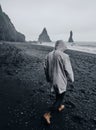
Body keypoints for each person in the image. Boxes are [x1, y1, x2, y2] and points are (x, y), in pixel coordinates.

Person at [43, 40, 74, 124]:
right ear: (62, 46)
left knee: (58, 93)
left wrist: (48, 78)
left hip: (52, 79)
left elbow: (45, 68)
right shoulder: (64, 56)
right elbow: (68, 69)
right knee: (61, 97)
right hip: (60, 80)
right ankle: (48, 113)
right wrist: (71, 79)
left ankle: (60, 106)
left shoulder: (48, 55)